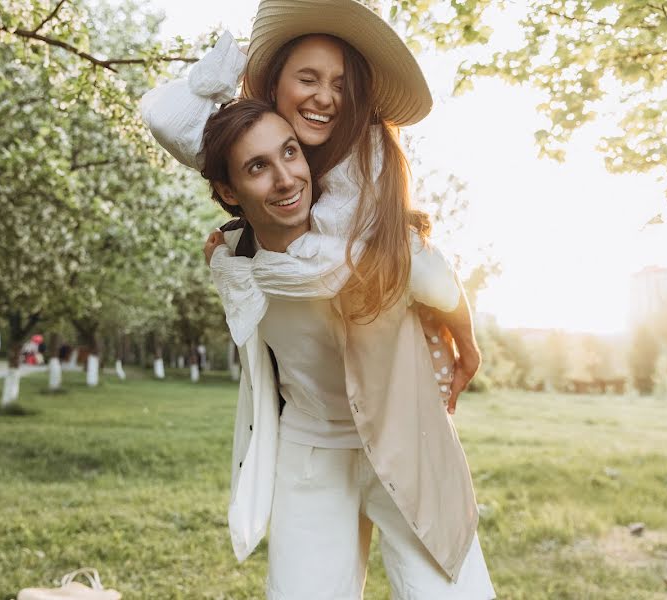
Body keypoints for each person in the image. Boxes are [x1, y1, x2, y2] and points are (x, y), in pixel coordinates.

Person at [142, 1, 494, 598]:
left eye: (338, 83)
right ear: (274, 86)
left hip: (406, 435)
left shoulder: (377, 219)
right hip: (310, 448)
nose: (324, 97)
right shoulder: (237, 252)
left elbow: (437, 283)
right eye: (307, 78)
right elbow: (174, 125)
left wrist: (466, 345)